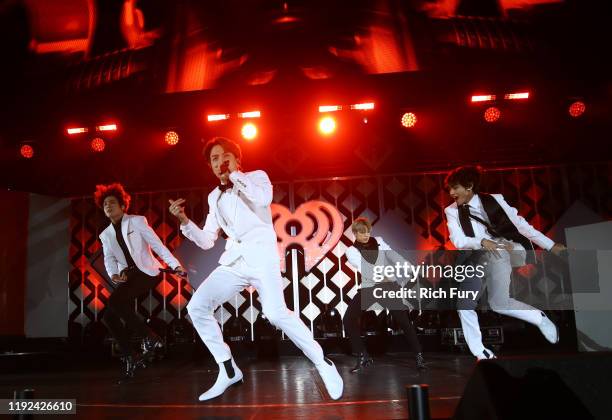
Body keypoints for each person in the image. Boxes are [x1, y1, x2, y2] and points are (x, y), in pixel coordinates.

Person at [168, 137, 343, 401]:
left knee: (274, 313)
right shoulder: (214, 196)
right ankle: (227, 369)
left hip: (262, 259)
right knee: (196, 307)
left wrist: (235, 175)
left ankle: (321, 361)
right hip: (234, 262)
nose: (219, 163)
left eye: (224, 157)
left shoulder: (257, 177)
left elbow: (263, 199)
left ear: (237, 160)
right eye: (213, 159)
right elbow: (206, 240)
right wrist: (184, 221)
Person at [444, 166, 567, 360]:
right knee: (464, 305)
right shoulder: (451, 211)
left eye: (455, 187)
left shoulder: (495, 200)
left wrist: (550, 245)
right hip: (475, 257)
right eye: (449, 188)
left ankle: (539, 318)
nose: (451, 193)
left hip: (499, 253)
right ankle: (481, 353)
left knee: (499, 304)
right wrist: (481, 241)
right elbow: (457, 240)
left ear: (469, 186)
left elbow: (521, 225)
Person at [96, 183, 185, 380]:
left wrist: (175, 265)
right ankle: (131, 356)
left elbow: (157, 245)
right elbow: (109, 259)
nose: (108, 207)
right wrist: (113, 275)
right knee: (108, 317)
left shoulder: (136, 222)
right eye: (104, 205)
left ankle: (150, 337)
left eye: (111, 203)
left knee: (114, 302)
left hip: (146, 272)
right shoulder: (105, 235)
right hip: (128, 276)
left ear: (122, 205)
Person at [344, 217, 426, 372]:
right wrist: (382, 274)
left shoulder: (380, 241)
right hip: (370, 288)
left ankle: (419, 355)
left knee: (403, 320)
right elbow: (364, 268)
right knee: (348, 319)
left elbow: (394, 257)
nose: (365, 235)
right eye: (361, 232)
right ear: (354, 233)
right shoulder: (351, 251)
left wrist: (411, 269)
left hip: (388, 286)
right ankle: (363, 356)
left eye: (367, 231)